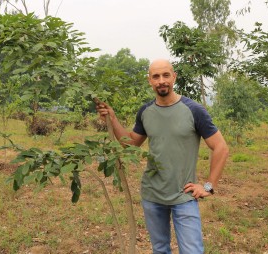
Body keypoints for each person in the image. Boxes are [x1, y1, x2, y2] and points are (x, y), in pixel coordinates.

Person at [96, 59, 229, 254]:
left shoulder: (194, 110)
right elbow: (131, 143)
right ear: (149, 80)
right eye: (156, 76)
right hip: (152, 195)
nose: (161, 81)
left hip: (184, 195)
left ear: (174, 77)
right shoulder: (145, 112)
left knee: (192, 250)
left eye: (166, 75)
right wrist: (113, 119)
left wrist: (208, 186)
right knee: (159, 249)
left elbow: (221, 147)